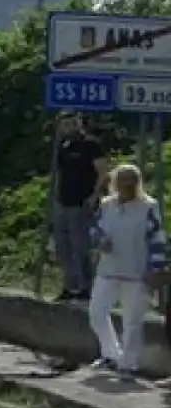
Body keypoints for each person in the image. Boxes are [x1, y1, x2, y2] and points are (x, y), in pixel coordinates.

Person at [87, 163, 166, 378]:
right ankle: (111, 354)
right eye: (123, 182)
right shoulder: (106, 205)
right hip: (108, 269)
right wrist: (99, 240)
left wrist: (156, 268)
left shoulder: (148, 207)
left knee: (132, 321)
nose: (128, 186)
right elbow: (94, 228)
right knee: (96, 312)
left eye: (132, 181)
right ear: (115, 183)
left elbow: (157, 240)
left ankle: (128, 365)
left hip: (136, 272)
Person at [52, 117, 109, 301]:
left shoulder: (91, 145)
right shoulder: (63, 144)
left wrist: (94, 196)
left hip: (81, 202)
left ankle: (87, 288)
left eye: (72, 123)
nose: (69, 127)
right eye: (65, 124)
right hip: (63, 202)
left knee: (81, 247)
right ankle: (70, 286)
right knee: (62, 247)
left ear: (80, 123)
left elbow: (102, 171)